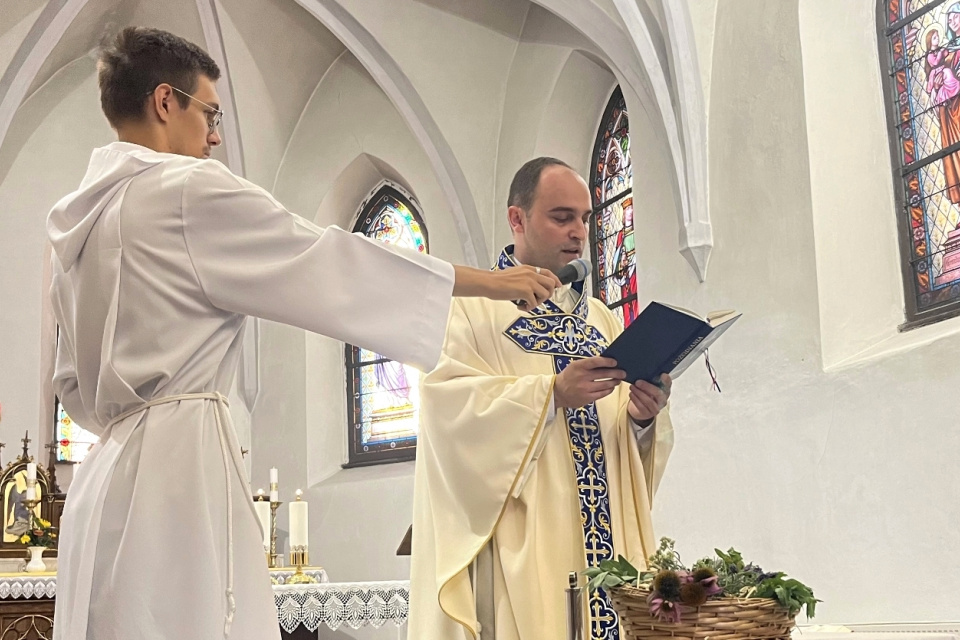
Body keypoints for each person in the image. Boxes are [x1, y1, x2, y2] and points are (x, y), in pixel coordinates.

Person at [47, 27, 558, 640]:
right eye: (209, 113)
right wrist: (489, 283)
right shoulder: (184, 191)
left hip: (104, 473)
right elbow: (327, 259)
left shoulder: (78, 223)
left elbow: (70, 385)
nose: (214, 136)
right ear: (165, 102)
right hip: (176, 472)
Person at [409, 157, 675, 640]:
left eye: (585, 218)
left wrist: (642, 419)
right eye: (561, 217)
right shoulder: (470, 310)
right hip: (527, 548)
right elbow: (445, 409)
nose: (578, 231)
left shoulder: (601, 319)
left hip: (609, 543)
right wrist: (549, 395)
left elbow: (623, 449)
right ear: (517, 219)